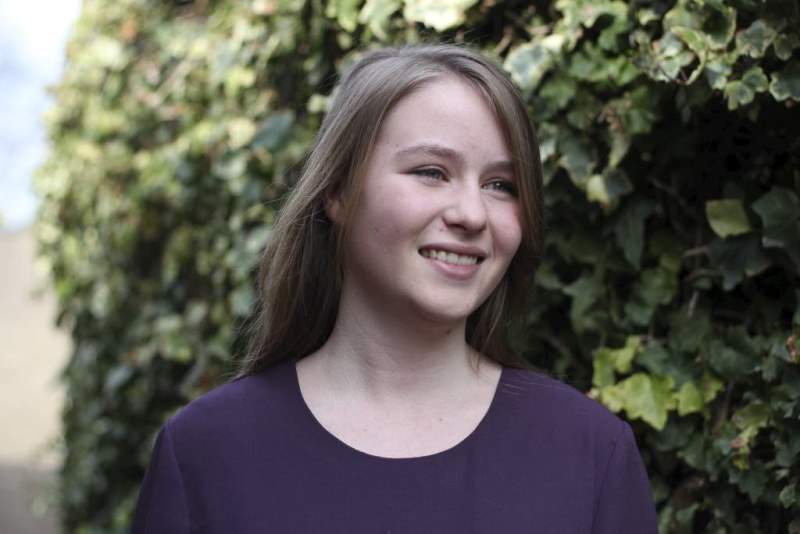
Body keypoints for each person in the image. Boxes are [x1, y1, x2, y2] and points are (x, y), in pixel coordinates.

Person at [132, 44, 658, 533]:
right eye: (432, 172)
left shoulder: (591, 453)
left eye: (501, 185)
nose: (472, 214)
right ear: (338, 191)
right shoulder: (205, 453)